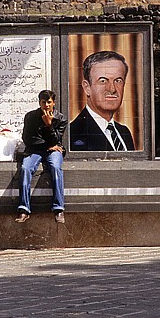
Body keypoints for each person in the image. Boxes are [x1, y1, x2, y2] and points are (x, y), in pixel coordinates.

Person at [15, 90, 67, 224]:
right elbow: (28, 139)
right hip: (35, 150)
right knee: (25, 168)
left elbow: (56, 140)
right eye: (43, 102)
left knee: (55, 167)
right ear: (39, 103)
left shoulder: (61, 119)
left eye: (49, 102)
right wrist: (48, 146)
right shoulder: (31, 117)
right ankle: (24, 209)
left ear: (53, 102)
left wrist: (49, 125)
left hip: (53, 150)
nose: (46, 105)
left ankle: (58, 209)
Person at [69, 51, 135, 151]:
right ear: (87, 88)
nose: (112, 89)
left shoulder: (124, 132)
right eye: (103, 81)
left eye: (118, 81)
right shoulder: (72, 134)